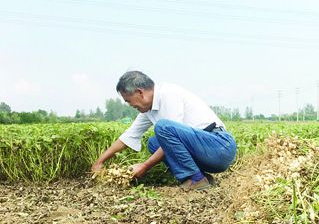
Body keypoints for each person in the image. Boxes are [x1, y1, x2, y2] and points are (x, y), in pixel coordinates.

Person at [91, 71, 237, 190]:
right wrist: (99, 161)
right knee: (153, 143)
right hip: (205, 151)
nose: (129, 105)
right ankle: (200, 178)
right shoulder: (148, 109)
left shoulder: (168, 95)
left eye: (128, 100)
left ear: (139, 93)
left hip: (219, 147)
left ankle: (195, 179)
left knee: (162, 128)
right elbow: (128, 136)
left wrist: (144, 166)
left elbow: (169, 133)